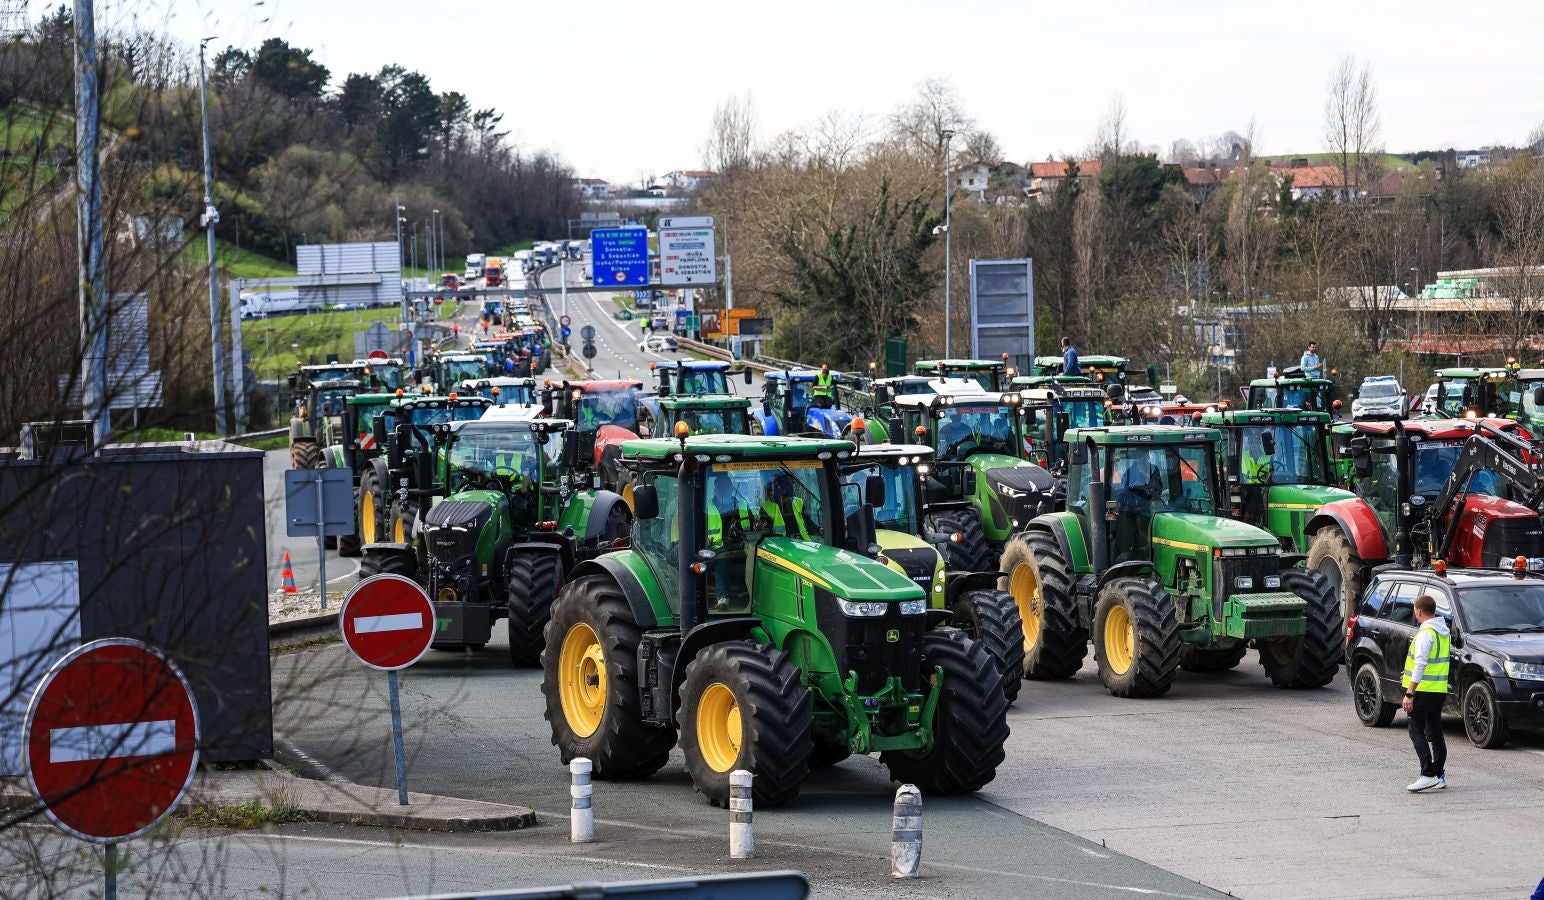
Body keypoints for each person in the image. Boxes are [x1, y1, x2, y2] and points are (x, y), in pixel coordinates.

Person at [1401, 594, 1450, 793]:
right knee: (1435, 731)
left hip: (1423, 691)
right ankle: (1439, 775)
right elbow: (1429, 663)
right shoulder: (1441, 632)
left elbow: (1421, 663)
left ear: (1419, 611)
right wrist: (1408, 674)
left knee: (1415, 731)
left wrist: (1410, 693)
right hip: (1438, 690)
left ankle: (1427, 774)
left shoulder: (1425, 633)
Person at [761, 472, 814, 540]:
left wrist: (818, 530)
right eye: (787, 484)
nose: (791, 486)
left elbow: (807, 522)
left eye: (791, 484)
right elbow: (765, 530)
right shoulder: (766, 507)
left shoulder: (798, 502)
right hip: (780, 547)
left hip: (802, 543)